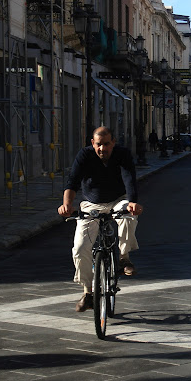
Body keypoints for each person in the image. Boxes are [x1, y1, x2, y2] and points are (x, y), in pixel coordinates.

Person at [58, 126, 144, 312]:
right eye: (98, 145)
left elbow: (129, 178)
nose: (102, 149)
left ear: (113, 142)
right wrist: (67, 205)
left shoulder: (122, 154)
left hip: (118, 199)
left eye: (106, 144)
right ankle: (87, 292)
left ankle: (123, 258)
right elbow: (72, 182)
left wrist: (133, 202)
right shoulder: (84, 155)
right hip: (91, 203)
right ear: (92, 143)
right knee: (80, 248)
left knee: (129, 216)